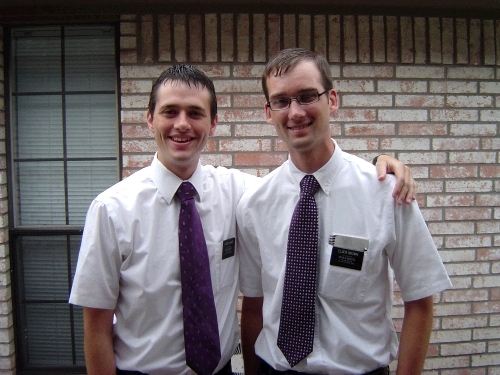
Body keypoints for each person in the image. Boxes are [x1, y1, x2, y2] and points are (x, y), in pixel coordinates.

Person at [69, 64, 417, 375]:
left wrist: (379, 167)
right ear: (150, 119)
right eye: (169, 112)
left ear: (213, 123)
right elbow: (96, 326)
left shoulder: (239, 193)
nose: (182, 124)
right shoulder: (111, 210)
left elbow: (304, 184)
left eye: (195, 113)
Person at [236, 48, 452, 375]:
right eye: (281, 101)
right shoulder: (255, 204)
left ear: (332, 100)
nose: (294, 112)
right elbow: (253, 305)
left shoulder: (385, 192)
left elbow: (420, 300)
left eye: (307, 96)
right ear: (269, 112)